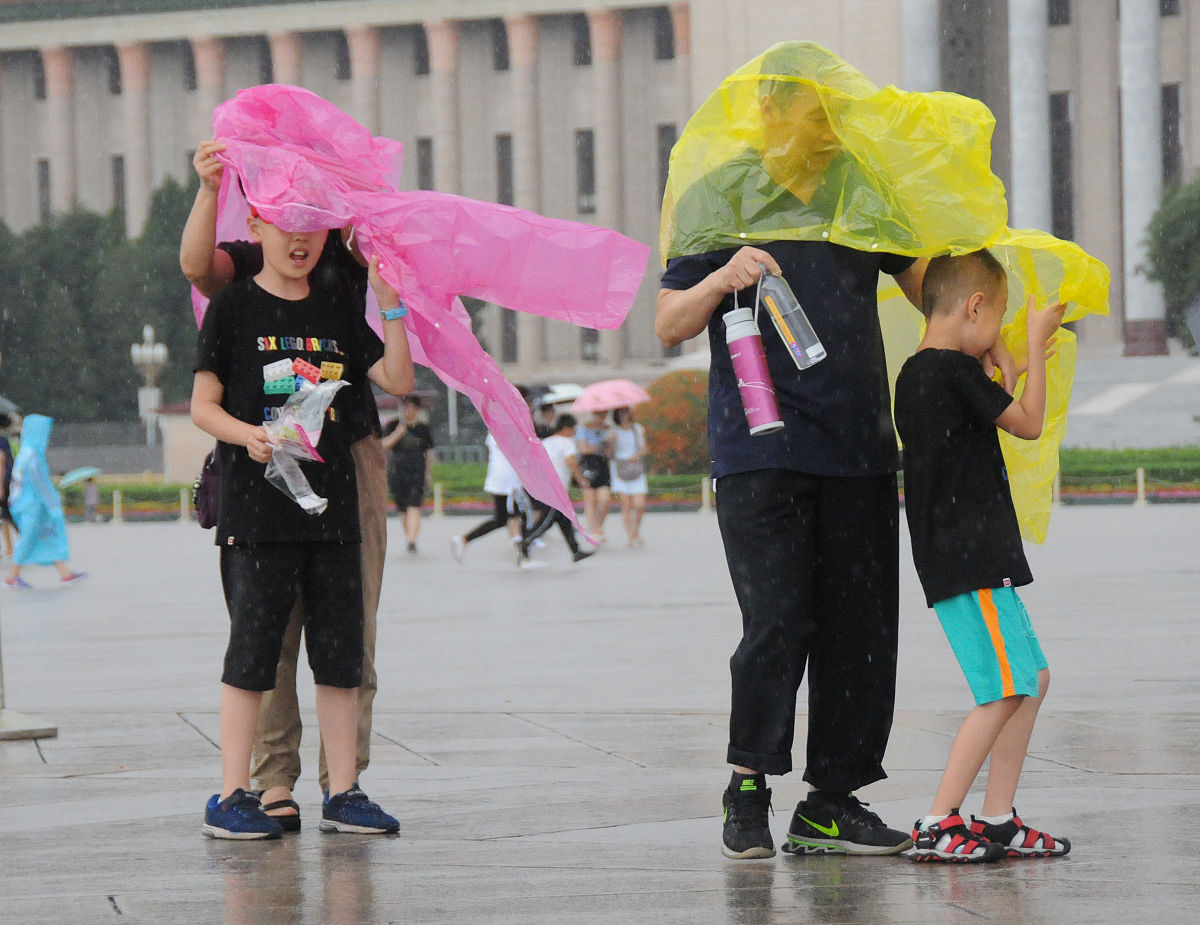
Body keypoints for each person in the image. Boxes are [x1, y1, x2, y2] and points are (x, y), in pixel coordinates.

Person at [655, 47, 952, 860]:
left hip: (858, 441)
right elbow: (669, 322)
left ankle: (831, 799)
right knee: (777, 616)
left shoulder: (861, 185)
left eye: (816, 113)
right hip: (759, 446)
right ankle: (748, 782)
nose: (801, 127)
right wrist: (722, 278)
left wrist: (970, 319)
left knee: (861, 628)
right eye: (784, 110)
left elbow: (926, 284)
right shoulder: (720, 193)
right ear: (760, 115)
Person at [181, 138, 390, 832]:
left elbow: (395, 373)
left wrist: (387, 290)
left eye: (316, 210)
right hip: (259, 498)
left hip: (339, 483)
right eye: (286, 212)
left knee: (343, 642)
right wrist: (210, 188)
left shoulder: (347, 272)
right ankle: (256, 786)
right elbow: (196, 272)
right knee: (260, 645)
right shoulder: (241, 292)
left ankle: (345, 785)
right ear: (260, 219)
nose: (301, 232)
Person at [893, 250, 1070, 863]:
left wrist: (1012, 366)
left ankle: (997, 818)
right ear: (975, 307)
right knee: (1002, 686)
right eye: (996, 319)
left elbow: (985, 411)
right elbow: (1026, 423)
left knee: (1031, 678)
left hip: (960, 553)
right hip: (970, 554)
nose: (997, 334)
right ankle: (940, 819)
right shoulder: (951, 371)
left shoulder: (920, 373)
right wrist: (1040, 341)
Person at [3, 414, 86, 590]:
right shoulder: (32, 455)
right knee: (30, 538)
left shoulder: (27, 452)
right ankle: (12, 577)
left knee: (47, 537)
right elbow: (39, 483)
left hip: (29, 506)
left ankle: (65, 573)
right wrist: (53, 503)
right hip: (33, 507)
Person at [517, 414, 596, 565]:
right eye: (573, 429)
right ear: (566, 429)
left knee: (564, 519)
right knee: (546, 521)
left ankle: (575, 551)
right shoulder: (567, 442)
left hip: (543, 486)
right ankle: (525, 542)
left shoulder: (546, 442)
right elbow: (571, 462)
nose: (573, 433)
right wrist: (581, 481)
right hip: (556, 488)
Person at [448, 430, 523, 564]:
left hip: (504, 481)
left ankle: (520, 548)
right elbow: (513, 449)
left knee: (510, 516)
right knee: (506, 517)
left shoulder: (499, 429)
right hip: (506, 482)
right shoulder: (501, 429)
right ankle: (464, 540)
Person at [381, 395, 434, 554]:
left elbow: (429, 452)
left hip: (417, 471)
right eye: (405, 407)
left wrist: (428, 474)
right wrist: (398, 433)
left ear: (417, 409)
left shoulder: (423, 429)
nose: (407, 410)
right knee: (403, 508)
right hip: (397, 471)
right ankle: (409, 536)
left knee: (414, 505)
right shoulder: (393, 425)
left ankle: (412, 540)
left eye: (411, 407)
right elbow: (383, 445)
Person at [607, 407, 647, 547]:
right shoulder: (613, 430)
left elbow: (644, 448)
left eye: (626, 411)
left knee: (639, 504)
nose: (624, 415)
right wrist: (612, 442)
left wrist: (637, 455)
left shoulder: (637, 429)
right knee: (626, 505)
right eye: (621, 412)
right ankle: (630, 534)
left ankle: (636, 531)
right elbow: (609, 453)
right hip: (620, 468)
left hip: (635, 468)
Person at [575, 410, 613, 542]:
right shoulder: (584, 428)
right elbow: (584, 449)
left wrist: (610, 443)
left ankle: (598, 526)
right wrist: (598, 445)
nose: (602, 417)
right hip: (588, 465)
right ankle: (593, 530)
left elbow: (609, 453)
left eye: (604, 415)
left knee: (604, 500)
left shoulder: (608, 430)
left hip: (602, 465)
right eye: (600, 414)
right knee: (590, 501)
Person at [0, 413, 15, 559]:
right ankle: (11, 547)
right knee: (7, 516)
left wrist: (1, 486)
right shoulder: (4, 440)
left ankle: (11, 547)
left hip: (4, 484)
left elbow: (1, 462)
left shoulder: (2, 441)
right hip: (7, 483)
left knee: (6, 516)